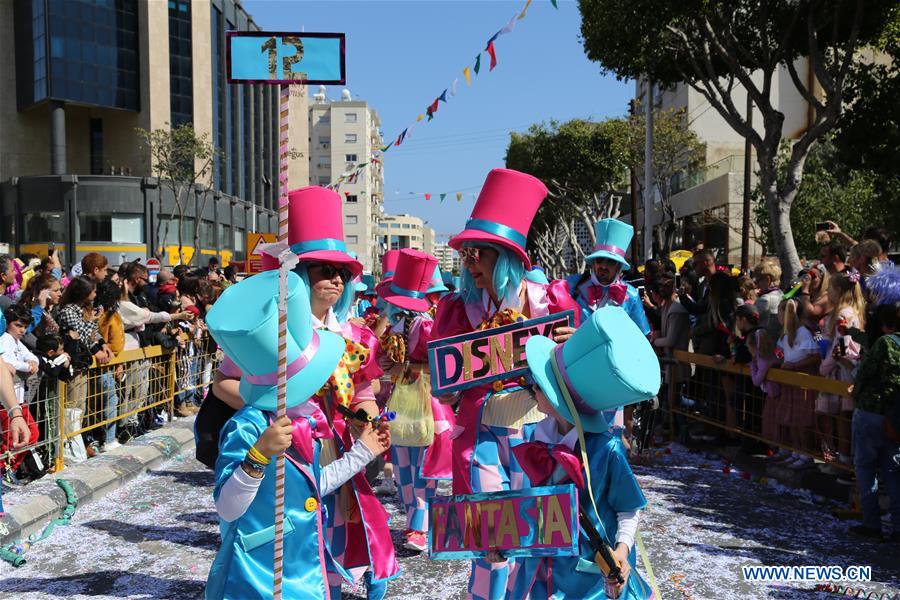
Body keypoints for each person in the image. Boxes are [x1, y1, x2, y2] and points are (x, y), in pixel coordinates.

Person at [434, 168, 578, 599]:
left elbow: (575, 378)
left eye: (478, 252)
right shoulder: (455, 311)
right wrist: (449, 381)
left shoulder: (550, 302)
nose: (469, 262)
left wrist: (570, 351)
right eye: (466, 253)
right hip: (479, 437)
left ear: (507, 258)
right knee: (488, 542)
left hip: (537, 435)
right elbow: (443, 391)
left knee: (530, 543)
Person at [204, 270, 392, 600]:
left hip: (304, 572)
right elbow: (228, 507)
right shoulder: (247, 427)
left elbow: (314, 485)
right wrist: (258, 455)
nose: (324, 387)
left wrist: (363, 450)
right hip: (257, 577)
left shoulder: (307, 421)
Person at [288, 186, 398, 598]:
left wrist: (371, 423)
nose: (335, 279)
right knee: (292, 538)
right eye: (323, 269)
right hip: (284, 448)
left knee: (333, 531)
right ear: (301, 274)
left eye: (342, 273)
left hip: (336, 448)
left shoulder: (356, 337)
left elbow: (364, 391)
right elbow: (226, 385)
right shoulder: (275, 334)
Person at [511, 307, 659, 599]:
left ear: (559, 396)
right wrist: (501, 545)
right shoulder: (532, 438)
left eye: (537, 383)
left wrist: (621, 550)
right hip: (542, 575)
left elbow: (628, 507)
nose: (530, 386)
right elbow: (523, 509)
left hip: (590, 581)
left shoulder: (607, 448)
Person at [377, 250, 454, 553]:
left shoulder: (413, 325)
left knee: (413, 467)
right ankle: (418, 523)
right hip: (411, 403)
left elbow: (440, 364)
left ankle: (418, 524)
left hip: (415, 403)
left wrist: (401, 368)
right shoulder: (412, 325)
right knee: (410, 468)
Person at [849, 302, 900, 542]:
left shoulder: (885, 343)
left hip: (871, 412)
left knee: (867, 470)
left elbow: (864, 373)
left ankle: (872, 524)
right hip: (896, 416)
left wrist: (856, 392)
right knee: (894, 474)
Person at [818, 271, 866, 472]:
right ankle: (845, 458)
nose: (827, 292)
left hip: (842, 370)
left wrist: (824, 366)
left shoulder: (843, 314)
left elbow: (841, 346)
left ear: (838, 290)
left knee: (842, 418)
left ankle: (844, 460)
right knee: (844, 417)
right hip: (848, 367)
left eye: (829, 288)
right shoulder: (853, 310)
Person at [775, 299, 820, 469]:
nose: (778, 316)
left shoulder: (803, 332)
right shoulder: (785, 334)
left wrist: (794, 366)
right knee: (791, 417)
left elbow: (815, 355)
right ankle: (795, 450)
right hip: (789, 379)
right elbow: (780, 352)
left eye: (780, 312)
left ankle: (805, 453)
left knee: (801, 418)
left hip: (801, 379)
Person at [0, 304, 41, 475]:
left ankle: (10, 470)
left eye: (25, 326)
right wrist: (27, 366)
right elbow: (6, 362)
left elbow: (30, 356)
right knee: (12, 439)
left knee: (30, 435)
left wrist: (33, 363)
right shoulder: (4, 339)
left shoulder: (16, 341)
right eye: (18, 325)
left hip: (17, 401)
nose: (22, 330)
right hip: (7, 403)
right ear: (7, 323)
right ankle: (6, 471)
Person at [96, 278, 125, 450]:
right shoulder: (104, 317)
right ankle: (108, 439)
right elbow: (108, 341)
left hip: (113, 362)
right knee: (109, 400)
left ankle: (107, 438)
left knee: (109, 399)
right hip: (103, 365)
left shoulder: (111, 314)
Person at [753, 258, 784, 340]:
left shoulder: (765, 299)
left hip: (765, 344)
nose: (756, 285)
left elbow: (750, 322)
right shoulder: (781, 294)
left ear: (767, 279)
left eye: (758, 280)